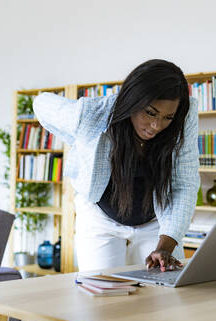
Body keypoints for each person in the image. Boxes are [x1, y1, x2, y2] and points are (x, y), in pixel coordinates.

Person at [33, 59, 199, 272]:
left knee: (164, 293)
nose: (156, 126)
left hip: (155, 222)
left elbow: (184, 184)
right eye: (150, 112)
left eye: (167, 117)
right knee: (102, 296)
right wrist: (77, 136)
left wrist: (165, 245)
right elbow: (41, 103)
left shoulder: (183, 118)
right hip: (101, 221)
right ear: (133, 100)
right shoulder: (93, 114)